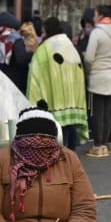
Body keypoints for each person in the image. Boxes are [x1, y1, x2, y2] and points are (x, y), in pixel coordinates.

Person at [26, 17, 89, 151]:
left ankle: (60, 156)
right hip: (72, 97)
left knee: (59, 128)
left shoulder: (45, 48)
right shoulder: (70, 45)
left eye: (43, 31)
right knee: (71, 125)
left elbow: (36, 73)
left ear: (48, 30)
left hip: (56, 100)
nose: (42, 34)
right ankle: (72, 155)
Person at [84, 4, 111, 158]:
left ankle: (97, 145)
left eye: (95, 14)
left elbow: (88, 58)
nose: (94, 18)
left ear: (100, 15)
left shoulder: (97, 33)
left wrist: (90, 71)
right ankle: (105, 144)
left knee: (96, 112)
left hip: (97, 78)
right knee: (107, 113)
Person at [0, 12, 31, 93]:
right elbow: (21, 59)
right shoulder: (14, 37)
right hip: (16, 84)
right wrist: (34, 53)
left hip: (0, 82)